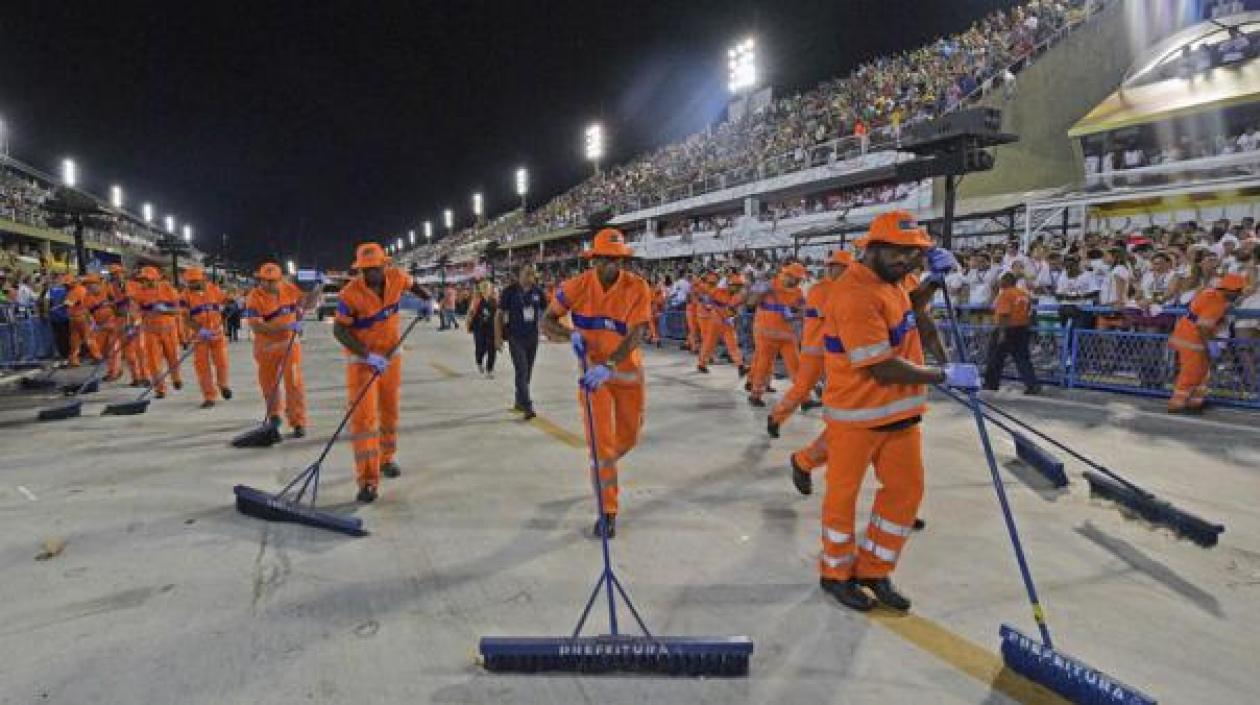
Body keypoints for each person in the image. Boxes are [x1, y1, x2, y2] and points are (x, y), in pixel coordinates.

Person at [815, 211, 978, 612]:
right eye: (902, 254)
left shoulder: (891, 282)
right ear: (874, 249)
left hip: (900, 418)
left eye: (916, 255)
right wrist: (944, 374)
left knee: (905, 494)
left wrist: (933, 283)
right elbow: (879, 366)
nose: (909, 262)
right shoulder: (853, 293)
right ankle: (835, 573)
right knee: (842, 499)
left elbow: (907, 308)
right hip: (857, 418)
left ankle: (873, 568)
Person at [542, 228, 651, 539]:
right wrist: (569, 334)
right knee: (602, 446)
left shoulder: (637, 287)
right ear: (594, 259)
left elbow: (637, 334)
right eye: (605, 259)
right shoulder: (576, 287)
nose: (611, 265)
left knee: (628, 440)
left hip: (626, 375)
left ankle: (600, 466)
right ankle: (608, 509)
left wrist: (611, 364)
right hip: (594, 380)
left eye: (617, 260)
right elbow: (546, 320)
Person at [333, 242, 432, 502]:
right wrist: (368, 356)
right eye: (365, 270)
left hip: (390, 358)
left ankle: (387, 458)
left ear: (384, 266)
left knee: (389, 411)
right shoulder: (349, 295)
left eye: (374, 269)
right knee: (364, 421)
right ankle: (367, 480)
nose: (370, 275)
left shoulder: (397, 278)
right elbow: (339, 331)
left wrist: (428, 300)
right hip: (362, 361)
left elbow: (415, 286)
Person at [768, 250, 852, 441]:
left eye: (836, 266)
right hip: (816, 350)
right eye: (831, 266)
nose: (832, 269)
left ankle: (838, 429)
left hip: (836, 351)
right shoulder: (820, 289)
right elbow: (836, 315)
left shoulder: (844, 289)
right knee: (802, 388)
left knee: (838, 390)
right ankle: (776, 418)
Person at [245, 262, 316, 437]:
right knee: (269, 384)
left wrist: (317, 288)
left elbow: (308, 304)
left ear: (280, 279)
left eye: (272, 281)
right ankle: (274, 415)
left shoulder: (289, 289)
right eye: (265, 281)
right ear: (260, 280)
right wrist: (287, 326)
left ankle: (298, 421)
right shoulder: (254, 297)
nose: (268, 285)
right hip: (266, 348)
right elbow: (258, 327)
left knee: (294, 383)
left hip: (290, 347)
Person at [1167, 273, 1246, 414]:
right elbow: (1203, 327)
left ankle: (1195, 403)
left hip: (1189, 334)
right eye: (1238, 291)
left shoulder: (1213, 294)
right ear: (1230, 290)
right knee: (1191, 373)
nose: (1239, 295)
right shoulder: (1216, 302)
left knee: (1203, 373)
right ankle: (1176, 405)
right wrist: (1210, 345)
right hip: (1192, 339)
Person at [747, 262, 807, 407]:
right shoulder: (770, 285)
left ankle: (805, 398)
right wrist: (760, 290)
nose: (797, 282)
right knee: (763, 364)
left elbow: (803, 309)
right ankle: (755, 395)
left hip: (787, 335)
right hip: (766, 334)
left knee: (796, 365)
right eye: (796, 279)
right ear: (787, 275)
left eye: (799, 279)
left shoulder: (798, 292)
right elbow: (751, 303)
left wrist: (796, 313)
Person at [496, 265, 547, 419]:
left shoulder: (538, 292)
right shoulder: (509, 292)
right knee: (522, 371)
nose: (530, 277)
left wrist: (549, 330)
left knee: (527, 374)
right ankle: (527, 406)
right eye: (527, 274)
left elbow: (547, 313)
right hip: (515, 337)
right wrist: (497, 338)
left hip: (532, 337)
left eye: (532, 274)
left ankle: (519, 401)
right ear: (519, 275)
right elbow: (499, 315)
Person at [181, 266, 232, 408]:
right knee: (202, 367)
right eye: (189, 282)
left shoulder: (214, 289)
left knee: (222, 362)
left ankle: (223, 385)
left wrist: (231, 302)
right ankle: (209, 396)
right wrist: (200, 330)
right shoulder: (185, 296)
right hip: (200, 337)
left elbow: (227, 300)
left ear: (202, 279)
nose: (191, 285)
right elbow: (186, 319)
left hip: (217, 335)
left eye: (194, 282)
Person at [131, 267, 183, 398]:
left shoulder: (168, 289)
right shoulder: (139, 293)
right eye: (142, 280)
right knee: (153, 362)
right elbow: (135, 310)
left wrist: (166, 310)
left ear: (154, 278)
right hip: (151, 332)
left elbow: (179, 309)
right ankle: (160, 389)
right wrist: (136, 321)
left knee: (173, 357)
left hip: (169, 331)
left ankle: (176, 379)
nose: (143, 282)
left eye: (146, 279)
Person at [984, 272, 1040, 394]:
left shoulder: (1005, 294)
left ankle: (991, 383)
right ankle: (1032, 384)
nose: (999, 283)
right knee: (1023, 358)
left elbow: (1004, 314)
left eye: (1001, 280)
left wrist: (1002, 333)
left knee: (995, 357)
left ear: (1007, 281)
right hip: (1022, 328)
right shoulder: (1024, 294)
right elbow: (1030, 311)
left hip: (1007, 328)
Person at [697, 273, 748, 375]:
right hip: (714, 322)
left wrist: (732, 317)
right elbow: (704, 296)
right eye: (736, 286)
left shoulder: (738, 297)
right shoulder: (717, 291)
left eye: (740, 286)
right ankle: (702, 364)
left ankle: (740, 366)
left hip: (727, 323)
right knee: (709, 344)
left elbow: (736, 311)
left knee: (733, 344)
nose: (738, 288)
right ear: (730, 285)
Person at [108, 264, 149, 386]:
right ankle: (136, 378)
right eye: (113, 274)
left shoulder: (135, 285)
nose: (116, 276)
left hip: (136, 321)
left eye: (118, 273)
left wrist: (137, 316)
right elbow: (113, 307)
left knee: (140, 351)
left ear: (122, 273)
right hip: (121, 322)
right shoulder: (111, 288)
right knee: (129, 353)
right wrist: (117, 310)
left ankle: (145, 377)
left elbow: (143, 303)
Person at [80, 274, 122, 382]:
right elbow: (86, 313)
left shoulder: (108, 291)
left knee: (114, 350)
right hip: (100, 327)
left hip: (114, 325)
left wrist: (118, 314)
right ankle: (116, 369)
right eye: (87, 286)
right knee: (104, 351)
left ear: (98, 284)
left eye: (91, 285)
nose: (89, 288)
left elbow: (119, 305)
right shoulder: (86, 298)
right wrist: (92, 323)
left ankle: (113, 373)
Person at [63, 275, 102, 367]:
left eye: (66, 284)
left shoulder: (80, 290)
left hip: (82, 318)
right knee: (74, 341)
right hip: (74, 319)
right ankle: (74, 360)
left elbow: (85, 303)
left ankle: (97, 357)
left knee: (88, 338)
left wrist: (73, 303)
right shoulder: (71, 291)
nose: (65, 286)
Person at [467, 279, 498, 377]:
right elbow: (471, 313)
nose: (488, 289)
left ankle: (490, 370)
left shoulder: (494, 300)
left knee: (492, 349)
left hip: (491, 327)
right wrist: (469, 321)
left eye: (489, 287)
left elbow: (499, 313)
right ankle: (479, 361)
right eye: (486, 287)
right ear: (481, 289)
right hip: (479, 327)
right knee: (481, 348)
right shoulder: (477, 300)